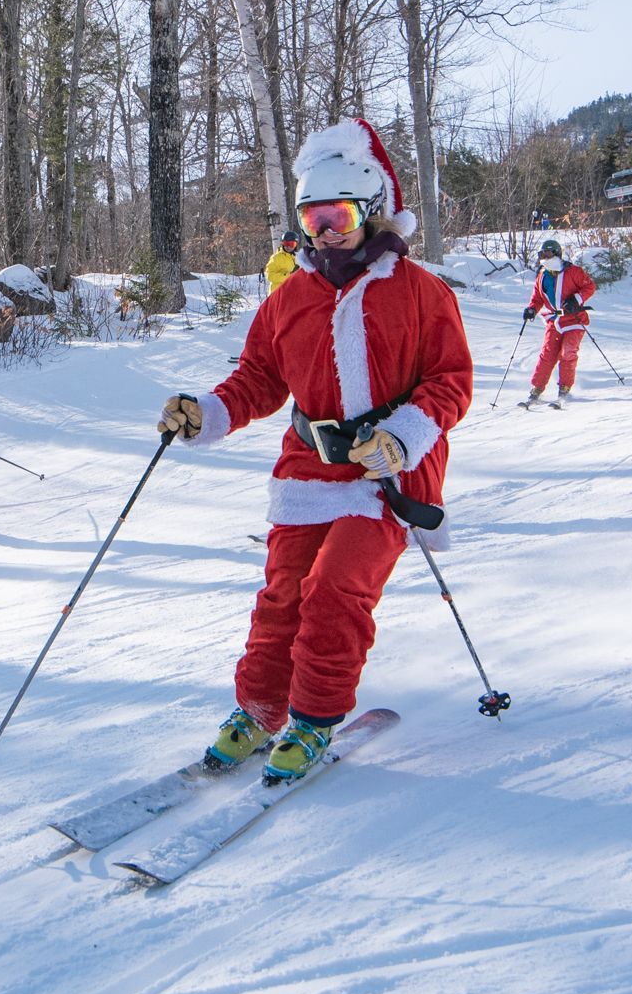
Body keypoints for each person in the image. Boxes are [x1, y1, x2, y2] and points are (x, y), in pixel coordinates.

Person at [156, 118, 472, 781]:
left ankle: (314, 717)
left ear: (371, 212)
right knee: (284, 594)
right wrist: (203, 414)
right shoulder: (287, 300)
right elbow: (258, 382)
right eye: (313, 217)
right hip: (307, 471)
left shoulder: (420, 292)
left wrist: (404, 435)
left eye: (340, 216)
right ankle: (260, 709)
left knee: (334, 591)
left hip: (385, 474)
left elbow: (451, 380)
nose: (325, 233)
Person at [521, 238, 596, 408]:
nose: (545, 257)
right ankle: (537, 389)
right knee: (548, 354)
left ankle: (564, 388)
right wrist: (532, 309)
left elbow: (589, 287)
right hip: (554, 320)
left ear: (556, 254)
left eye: (548, 253)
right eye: (542, 254)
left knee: (568, 351)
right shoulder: (542, 275)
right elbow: (537, 298)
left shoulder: (573, 271)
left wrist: (576, 300)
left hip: (574, 319)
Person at [264, 231, 299, 296]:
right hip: (278, 294)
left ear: (296, 245)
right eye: (286, 244)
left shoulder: (298, 258)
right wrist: (288, 276)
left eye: (291, 244)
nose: (288, 247)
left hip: (292, 294)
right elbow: (269, 275)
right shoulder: (276, 258)